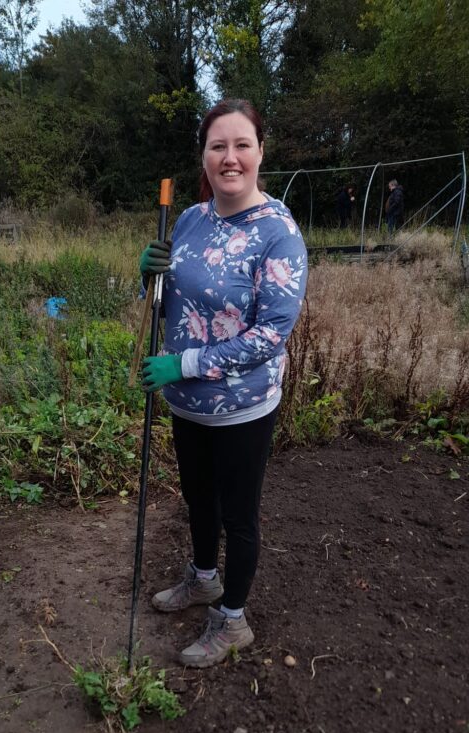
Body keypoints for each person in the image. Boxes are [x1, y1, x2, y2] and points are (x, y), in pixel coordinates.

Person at [139, 98, 308, 668]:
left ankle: (231, 621)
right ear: (205, 157)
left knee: (239, 515)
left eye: (241, 145)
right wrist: (148, 279)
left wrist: (180, 366)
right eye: (218, 146)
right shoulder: (190, 218)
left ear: (261, 151)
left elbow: (270, 335)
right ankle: (203, 579)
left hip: (242, 407)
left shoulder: (277, 235)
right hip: (188, 405)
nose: (229, 157)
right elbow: (171, 305)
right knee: (197, 500)